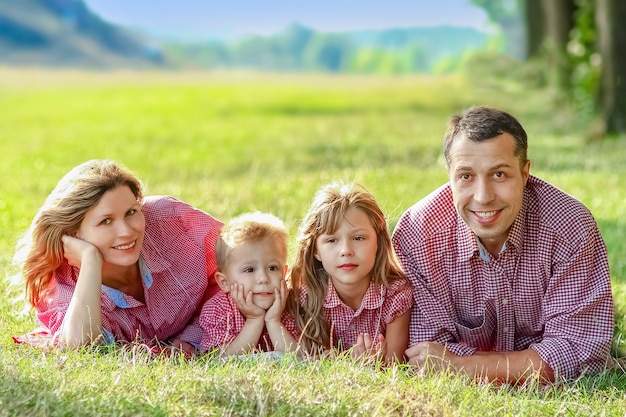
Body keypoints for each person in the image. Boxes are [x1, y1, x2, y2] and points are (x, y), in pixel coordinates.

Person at [392, 106, 615, 383]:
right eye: (466, 176)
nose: (483, 197)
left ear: (525, 173)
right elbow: (426, 350)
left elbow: (580, 350)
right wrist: (532, 361)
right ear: (449, 174)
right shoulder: (417, 234)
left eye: (499, 174)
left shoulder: (569, 226)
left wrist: (464, 366)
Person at [12, 159, 223, 355]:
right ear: (74, 232)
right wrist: (90, 260)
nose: (126, 231)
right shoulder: (64, 288)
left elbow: (242, 257)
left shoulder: (169, 220)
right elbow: (79, 348)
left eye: (131, 212)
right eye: (106, 221)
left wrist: (194, 336)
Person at [287, 180, 413, 363]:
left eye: (358, 238)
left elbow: (395, 365)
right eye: (331, 241)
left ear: (378, 242)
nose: (346, 250)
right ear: (315, 250)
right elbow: (299, 361)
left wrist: (372, 366)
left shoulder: (396, 295)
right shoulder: (304, 296)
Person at [198, 211, 298, 356]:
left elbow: (301, 357)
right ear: (224, 282)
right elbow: (220, 359)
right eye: (249, 270)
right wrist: (254, 320)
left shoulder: (292, 306)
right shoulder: (217, 310)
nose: (263, 278)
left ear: (284, 273)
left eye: (272, 268)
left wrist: (273, 321)